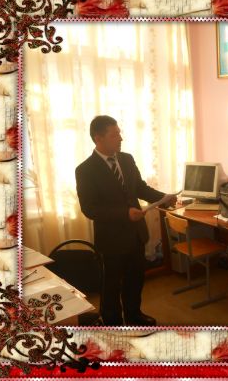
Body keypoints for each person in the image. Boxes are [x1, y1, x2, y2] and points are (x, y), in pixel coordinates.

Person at [75, 115, 176, 326]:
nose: (120, 138)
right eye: (115, 135)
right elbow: (90, 208)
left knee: (135, 279)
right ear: (98, 138)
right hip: (111, 239)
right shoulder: (85, 170)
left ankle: (134, 315)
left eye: (119, 133)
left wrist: (164, 198)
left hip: (136, 234)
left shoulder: (127, 159)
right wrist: (125, 213)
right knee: (111, 285)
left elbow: (140, 188)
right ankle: (113, 323)